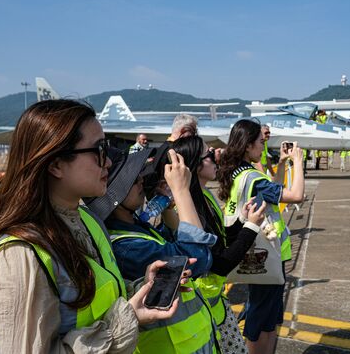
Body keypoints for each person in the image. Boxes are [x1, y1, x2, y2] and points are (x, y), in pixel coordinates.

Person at [0, 99, 177, 353]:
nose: (108, 162)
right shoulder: (18, 257)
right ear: (56, 164)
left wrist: (139, 291)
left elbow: (97, 303)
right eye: (99, 150)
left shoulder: (87, 220)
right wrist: (126, 321)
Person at [84, 146, 221, 353]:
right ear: (114, 194)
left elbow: (174, 244)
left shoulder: (137, 229)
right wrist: (182, 190)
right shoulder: (125, 247)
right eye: (131, 179)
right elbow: (198, 259)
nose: (141, 180)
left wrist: (167, 208)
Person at [217, 119, 305, 354]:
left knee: (264, 316)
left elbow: (273, 194)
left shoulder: (240, 175)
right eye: (259, 142)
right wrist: (298, 162)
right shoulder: (255, 179)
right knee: (260, 319)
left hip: (256, 250)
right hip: (268, 254)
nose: (262, 146)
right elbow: (296, 195)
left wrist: (284, 163)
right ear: (248, 145)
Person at [172, 136, 267, 354]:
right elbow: (220, 263)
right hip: (203, 308)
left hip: (216, 303)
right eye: (209, 155)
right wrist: (251, 228)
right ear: (195, 165)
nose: (217, 158)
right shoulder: (187, 210)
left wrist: (242, 221)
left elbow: (219, 239)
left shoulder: (205, 195)